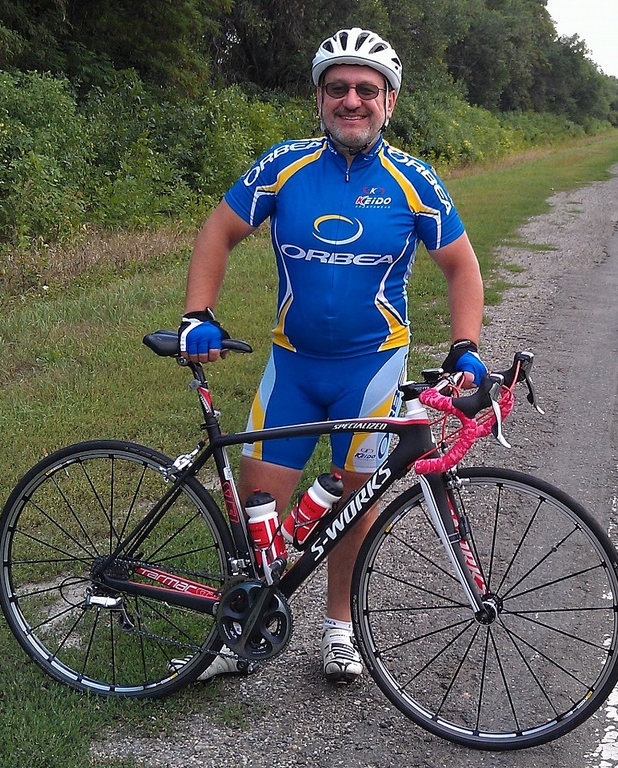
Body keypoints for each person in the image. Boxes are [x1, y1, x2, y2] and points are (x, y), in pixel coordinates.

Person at [176, 27, 486, 684]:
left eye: (366, 90)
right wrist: (197, 313)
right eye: (338, 88)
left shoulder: (413, 181)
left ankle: (339, 627)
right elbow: (218, 231)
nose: (352, 100)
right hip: (292, 366)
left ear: (389, 102)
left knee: (354, 507)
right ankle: (242, 627)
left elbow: (461, 267)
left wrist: (465, 346)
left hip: (369, 369)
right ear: (319, 98)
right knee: (260, 506)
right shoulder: (283, 167)